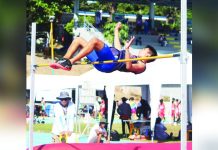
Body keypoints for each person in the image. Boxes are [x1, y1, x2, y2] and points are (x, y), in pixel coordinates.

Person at [50, 22, 157, 74]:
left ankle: (70, 61)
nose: (141, 50)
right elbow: (118, 50)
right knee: (78, 40)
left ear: (148, 55)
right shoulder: (132, 56)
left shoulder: (142, 66)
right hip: (105, 59)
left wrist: (128, 49)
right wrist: (116, 31)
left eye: (144, 50)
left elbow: (129, 67)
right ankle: (64, 60)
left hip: (110, 63)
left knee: (95, 41)